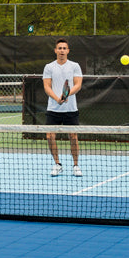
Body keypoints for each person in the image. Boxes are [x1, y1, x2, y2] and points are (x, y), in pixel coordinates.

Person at [42, 38, 83, 177]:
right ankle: (57, 164)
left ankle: (76, 166)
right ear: (55, 50)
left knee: (73, 137)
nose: (62, 51)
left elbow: (78, 84)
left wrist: (66, 96)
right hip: (53, 109)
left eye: (64, 48)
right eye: (59, 48)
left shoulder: (75, 66)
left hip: (71, 109)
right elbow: (47, 86)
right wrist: (56, 98)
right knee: (49, 136)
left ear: (68, 51)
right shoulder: (49, 67)